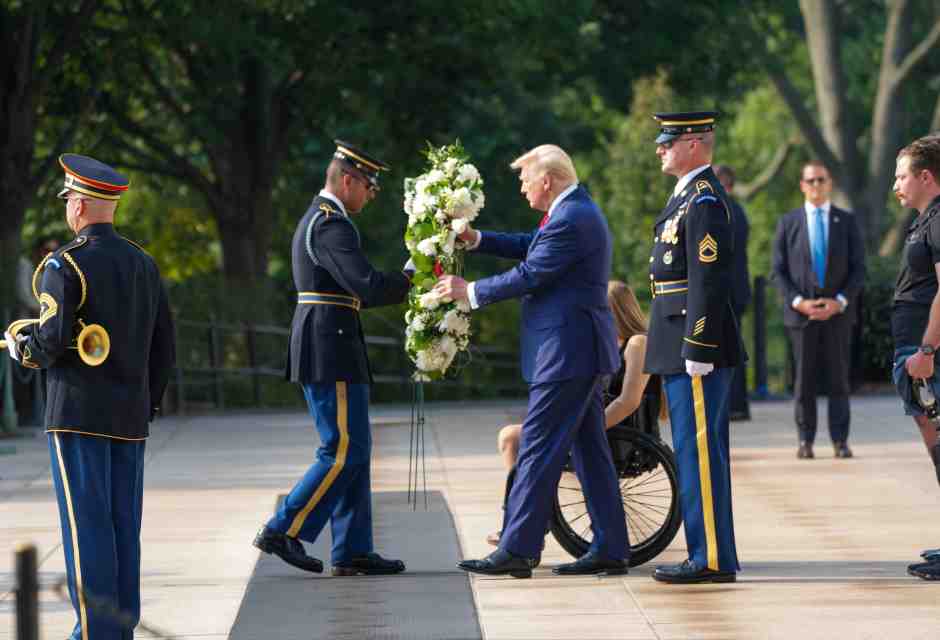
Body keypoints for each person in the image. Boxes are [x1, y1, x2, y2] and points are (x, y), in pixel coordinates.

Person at [4, 154, 176, 639]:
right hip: (130, 416)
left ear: (77, 206)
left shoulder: (66, 264)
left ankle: (96, 634)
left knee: (87, 531)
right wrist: (148, 402)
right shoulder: (144, 264)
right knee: (124, 530)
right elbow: (164, 348)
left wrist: (22, 346)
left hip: (78, 413)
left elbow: (53, 340)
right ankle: (117, 630)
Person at [436, 144, 628, 578]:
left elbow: (531, 273)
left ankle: (519, 548)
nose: (522, 189)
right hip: (578, 351)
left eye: (525, 180)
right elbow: (532, 247)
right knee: (591, 453)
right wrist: (478, 240)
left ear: (547, 180)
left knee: (537, 450)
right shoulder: (572, 212)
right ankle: (612, 547)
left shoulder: (573, 217)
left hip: (568, 355)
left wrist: (470, 292)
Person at [253, 140, 412, 577]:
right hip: (330, 345)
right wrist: (412, 276)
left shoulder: (326, 221)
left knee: (356, 449)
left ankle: (353, 548)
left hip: (334, 341)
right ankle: (283, 528)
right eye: (369, 186)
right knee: (341, 450)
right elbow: (368, 286)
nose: (371, 194)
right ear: (347, 180)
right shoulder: (330, 226)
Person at [644, 111, 743, 584]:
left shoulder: (703, 199)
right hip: (678, 337)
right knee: (693, 451)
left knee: (698, 452)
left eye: (669, 141)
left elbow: (708, 278)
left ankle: (710, 558)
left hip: (694, 343)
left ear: (696, 145)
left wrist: (699, 344)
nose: (660, 148)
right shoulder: (686, 195)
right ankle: (710, 552)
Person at [486, 280, 660, 546]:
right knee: (511, 437)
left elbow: (628, 401)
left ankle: (525, 525)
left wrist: (585, 430)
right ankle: (524, 520)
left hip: (618, 434)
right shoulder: (603, 342)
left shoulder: (637, 343)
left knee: (518, 441)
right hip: (584, 424)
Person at [772, 161, 866, 459]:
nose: (815, 185)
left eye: (820, 180)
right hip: (802, 315)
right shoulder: (789, 223)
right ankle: (805, 440)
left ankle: (840, 440)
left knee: (838, 379)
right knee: (804, 380)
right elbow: (778, 271)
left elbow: (858, 269)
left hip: (838, 314)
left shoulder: (846, 221)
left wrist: (840, 300)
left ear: (829, 183)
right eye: (810, 180)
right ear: (802, 185)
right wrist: (800, 302)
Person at [887, 134, 940, 581]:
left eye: (903, 175)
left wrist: (927, 349)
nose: (896, 185)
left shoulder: (939, 220)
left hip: (927, 352)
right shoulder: (925, 220)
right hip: (914, 350)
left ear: (927, 177)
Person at [714, 164, 752, 421]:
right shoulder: (735, 210)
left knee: (729, 350)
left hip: (727, 293)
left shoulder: (726, 211)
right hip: (733, 291)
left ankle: (734, 404)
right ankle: (736, 404)